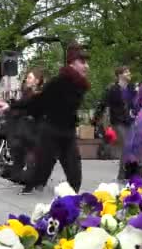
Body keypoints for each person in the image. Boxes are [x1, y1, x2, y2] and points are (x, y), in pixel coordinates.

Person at [9, 44, 90, 194]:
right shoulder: (58, 82)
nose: (87, 66)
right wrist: (12, 106)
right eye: (83, 62)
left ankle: (73, 197)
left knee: (75, 172)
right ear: (72, 63)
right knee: (39, 170)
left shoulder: (80, 85)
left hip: (68, 132)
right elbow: (38, 101)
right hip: (51, 132)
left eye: (87, 62)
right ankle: (15, 177)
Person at [0, 68, 45, 185]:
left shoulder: (32, 94)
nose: (27, 80)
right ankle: (7, 170)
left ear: (37, 81)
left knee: (22, 169)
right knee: (31, 174)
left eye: (30, 77)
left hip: (23, 136)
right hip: (26, 137)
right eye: (27, 77)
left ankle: (4, 170)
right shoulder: (30, 95)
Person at [93, 66, 137, 180]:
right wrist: (95, 118)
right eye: (126, 72)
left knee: (132, 146)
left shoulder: (132, 88)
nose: (129, 73)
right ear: (119, 75)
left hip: (130, 120)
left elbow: (137, 103)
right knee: (127, 145)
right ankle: (122, 175)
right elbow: (103, 104)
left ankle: (131, 173)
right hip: (118, 121)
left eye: (129, 71)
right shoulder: (112, 89)